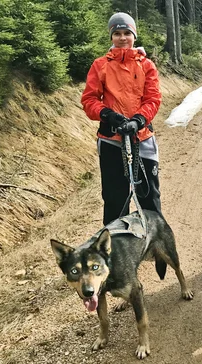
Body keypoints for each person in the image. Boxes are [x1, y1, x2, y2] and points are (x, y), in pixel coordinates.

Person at [81, 12, 162, 225]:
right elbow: (89, 100)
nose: (122, 38)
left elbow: (153, 98)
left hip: (142, 138)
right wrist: (107, 115)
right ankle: (116, 251)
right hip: (111, 140)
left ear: (134, 36)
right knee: (115, 201)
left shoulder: (147, 65)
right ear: (111, 37)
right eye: (117, 33)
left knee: (149, 198)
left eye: (127, 32)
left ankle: (157, 250)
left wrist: (138, 120)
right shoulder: (100, 65)